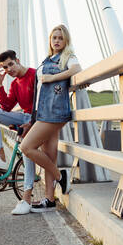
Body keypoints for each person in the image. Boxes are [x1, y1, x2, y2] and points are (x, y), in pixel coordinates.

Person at [20, 24, 81, 213]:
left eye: (60, 38)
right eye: (54, 37)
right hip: (42, 111)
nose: (56, 41)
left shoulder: (68, 57)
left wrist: (52, 78)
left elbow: (77, 69)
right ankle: (49, 199)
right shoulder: (48, 59)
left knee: (26, 147)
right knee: (48, 156)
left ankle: (60, 176)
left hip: (54, 112)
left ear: (66, 41)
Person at [0, 50, 37, 215]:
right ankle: (0, 157)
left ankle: (26, 199)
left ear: (18, 60)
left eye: (11, 64)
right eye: (5, 68)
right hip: (23, 117)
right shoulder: (14, 84)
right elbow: (6, 107)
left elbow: (42, 101)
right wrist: (0, 84)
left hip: (36, 118)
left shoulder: (34, 75)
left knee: (26, 151)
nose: (9, 70)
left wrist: (31, 122)